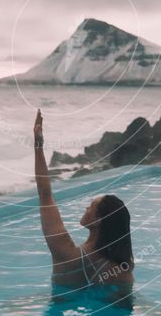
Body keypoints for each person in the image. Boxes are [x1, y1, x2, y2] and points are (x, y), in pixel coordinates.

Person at [33, 109, 134, 289]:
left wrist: (38, 145)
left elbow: (45, 194)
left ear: (98, 220)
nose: (86, 208)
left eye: (90, 206)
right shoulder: (121, 272)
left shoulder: (65, 254)